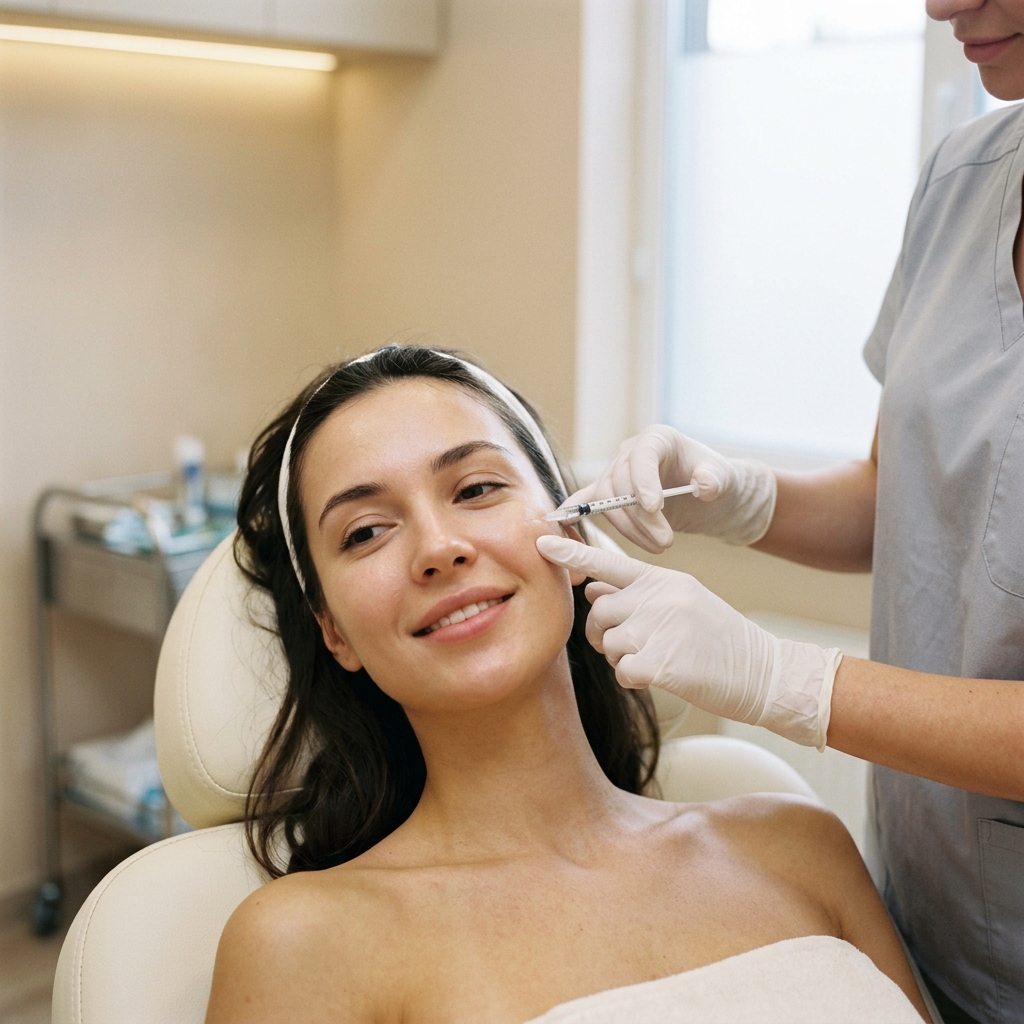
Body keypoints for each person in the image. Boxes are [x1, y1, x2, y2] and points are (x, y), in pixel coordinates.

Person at [535, 4, 1024, 1023]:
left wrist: (778, 677)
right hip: (932, 910)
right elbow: (909, 500)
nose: (939, 6)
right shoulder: (963, 181)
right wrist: (736, 495)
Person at [204, 346, 926, 1023]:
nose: (440, 549)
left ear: (575, 534)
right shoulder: (302, 942)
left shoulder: (801, 847)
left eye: (477, 487)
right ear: (333, 631)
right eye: (365, 531)